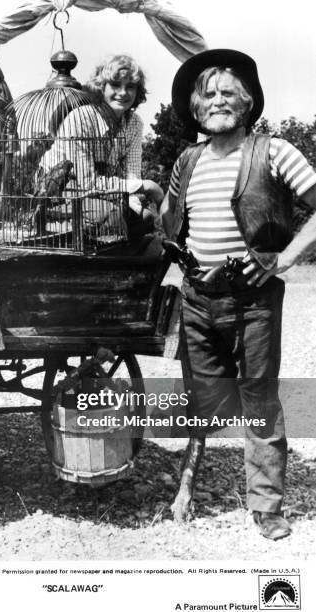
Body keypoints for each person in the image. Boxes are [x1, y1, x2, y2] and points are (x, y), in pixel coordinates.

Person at [161, 49, 316, 540]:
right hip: (197, 298)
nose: (218, 101)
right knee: (204, 398)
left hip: (253, 300)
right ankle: (189, 481)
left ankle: (266, 505)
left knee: (259, 399)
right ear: (195, 109)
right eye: (208, 95)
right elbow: (167, 222)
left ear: (247, 103)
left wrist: (285, 259)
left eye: (229, 93)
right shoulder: (186, 161)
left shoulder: (275, 151)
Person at [39, 54, 163, 246]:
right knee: (112, 216)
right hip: (59, 193)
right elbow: (87, 183)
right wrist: (148, 187)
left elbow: (132, 177)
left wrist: (133, 201)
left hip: (102, 196)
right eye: (115, 85)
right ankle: (63, 230)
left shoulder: (134, 124)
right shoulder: (81, 118)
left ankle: (100, 234)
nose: (123, 93)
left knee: (145, 218)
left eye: (130, 86)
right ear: (101, 87)